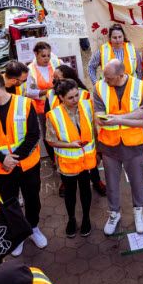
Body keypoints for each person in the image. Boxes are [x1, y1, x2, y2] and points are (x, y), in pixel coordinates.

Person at [0, 71, 47, 256]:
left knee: (32, 199)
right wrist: (2, 159)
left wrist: (13, 158)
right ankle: (19, 234)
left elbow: (34, 136)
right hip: (2, 168)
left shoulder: (25, 104)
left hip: (28, 165)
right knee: (9, 202)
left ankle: (33, 228)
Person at [94, 59, 143, 235]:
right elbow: (100, 120)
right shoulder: (99, 88)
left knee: (137, 182)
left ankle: (138, 212)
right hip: (109, 145)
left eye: (109, 78)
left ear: (121, 75)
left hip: (134, 145)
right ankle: (114, 213)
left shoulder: (141, 87)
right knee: (111, 184)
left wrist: (118, 119)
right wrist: (131, 115)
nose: (105, 81)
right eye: (104, 77)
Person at [45, 79, 97, 238]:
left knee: (86, 190)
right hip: (68, 164)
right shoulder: (54, 115)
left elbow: (94, 128)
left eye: (77, 95)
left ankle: (86, 218)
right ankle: (72, 219)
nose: (75, 100)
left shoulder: (87, 105)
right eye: (71, 98)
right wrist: (70, 145)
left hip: (87, 161)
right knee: (70, 193)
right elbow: (50, 140)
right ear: (61, 97)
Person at [23, 42, 58, 169]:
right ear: (36, 54)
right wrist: (48, 90)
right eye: (43, 56)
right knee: (48, 134)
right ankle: (54, 160)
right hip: (42, 108)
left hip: (57, 105)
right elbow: (30, 92)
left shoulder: (55, 63)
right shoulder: (31, 70)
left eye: (48, 55)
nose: (47, 58)